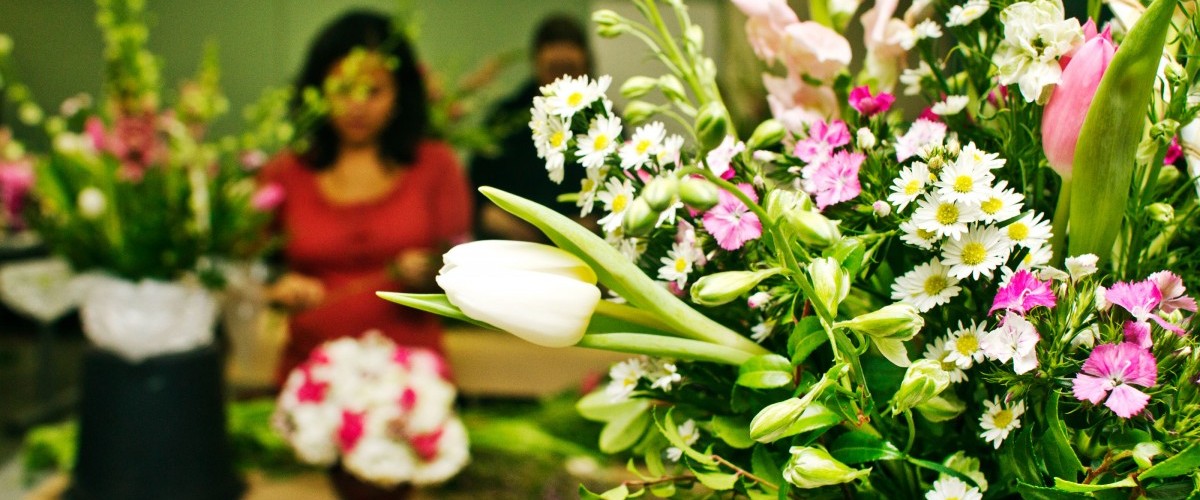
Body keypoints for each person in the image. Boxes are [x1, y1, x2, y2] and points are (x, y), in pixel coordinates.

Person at [261, 10, 472, 381]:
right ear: (317, 92)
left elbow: (466, 271)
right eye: (343, 90)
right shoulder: (285, 172)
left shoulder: (436, 166)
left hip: (413, 381)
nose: (357, 106)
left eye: (373, 91)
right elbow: (242, 274)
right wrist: (275, 289)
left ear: (400, 94)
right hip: (311, 379)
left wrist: (430, 272)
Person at [470, 14, 594, 242]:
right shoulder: (505, 118)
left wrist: (574, 233)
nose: (561, 76)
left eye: (569, 68)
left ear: (586, 64)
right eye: (555, 67)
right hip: (511, 247)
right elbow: (477, 196)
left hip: (583, 248)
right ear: (536, 61)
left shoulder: (603, 123)